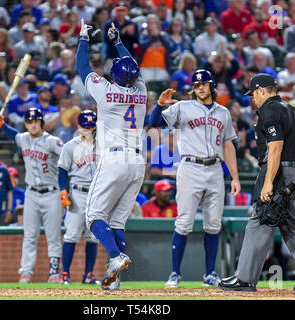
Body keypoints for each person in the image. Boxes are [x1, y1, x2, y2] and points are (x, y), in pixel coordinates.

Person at [218, 73, 295, 292]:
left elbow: (275, 147)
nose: (253, 99)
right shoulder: (290, 109)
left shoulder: (268, 111)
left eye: (253, 94)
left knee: (259, 220)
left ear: (261, 90)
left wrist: (268, 182)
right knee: (293, 226)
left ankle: (245, 279)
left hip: (277, 173)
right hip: (294, 174)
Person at [150, 69, 240, 288]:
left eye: (204, 84)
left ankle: (210, 274)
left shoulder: (223, 112)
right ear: (193, 88)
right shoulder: (183, 107)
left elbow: (228, 145)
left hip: (215, 169)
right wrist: (160, 104)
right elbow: (155, 123)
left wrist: (235, 177)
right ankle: (174, 273)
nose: (200, 87)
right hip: (190, 167)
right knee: (184, 222)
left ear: (211, 86)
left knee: (213, 223)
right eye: (197, 84)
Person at [76, 20, 146, 290]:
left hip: (114, 159)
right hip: (137, 162)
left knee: (94, 217)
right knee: (116, 221)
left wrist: (83, 37)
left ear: (113, 76)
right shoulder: (141, 90)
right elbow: (133, 68)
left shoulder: (106, 91)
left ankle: (116, 257)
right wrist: (117, 42)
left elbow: (83, 68)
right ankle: (114, 280)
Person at [0, 107, 64, 284]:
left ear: (41, 122)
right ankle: (25, 272)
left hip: (52, 192)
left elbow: (67, 160)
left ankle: (54, 272)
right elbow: (13, 135)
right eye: (29, 122)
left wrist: (66, 188)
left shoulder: (52, 141)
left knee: (53, 235)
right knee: (29, 235)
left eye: (36, 121)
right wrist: (2, 124)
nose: (33, 125)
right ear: (26, 124)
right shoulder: (24, 138)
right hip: (32, 194)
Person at [57, 110, 101, 285]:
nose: (89, 130)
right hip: (77, 193)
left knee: (92, 236)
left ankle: (88, 275)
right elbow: (62, 170)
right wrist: (63, 190)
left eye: (91, 127)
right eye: (85, 127)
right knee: (71, 235)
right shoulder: (70, 146)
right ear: (78, 126)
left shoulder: (103, 145)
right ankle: (65, 274)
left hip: (97, 194)